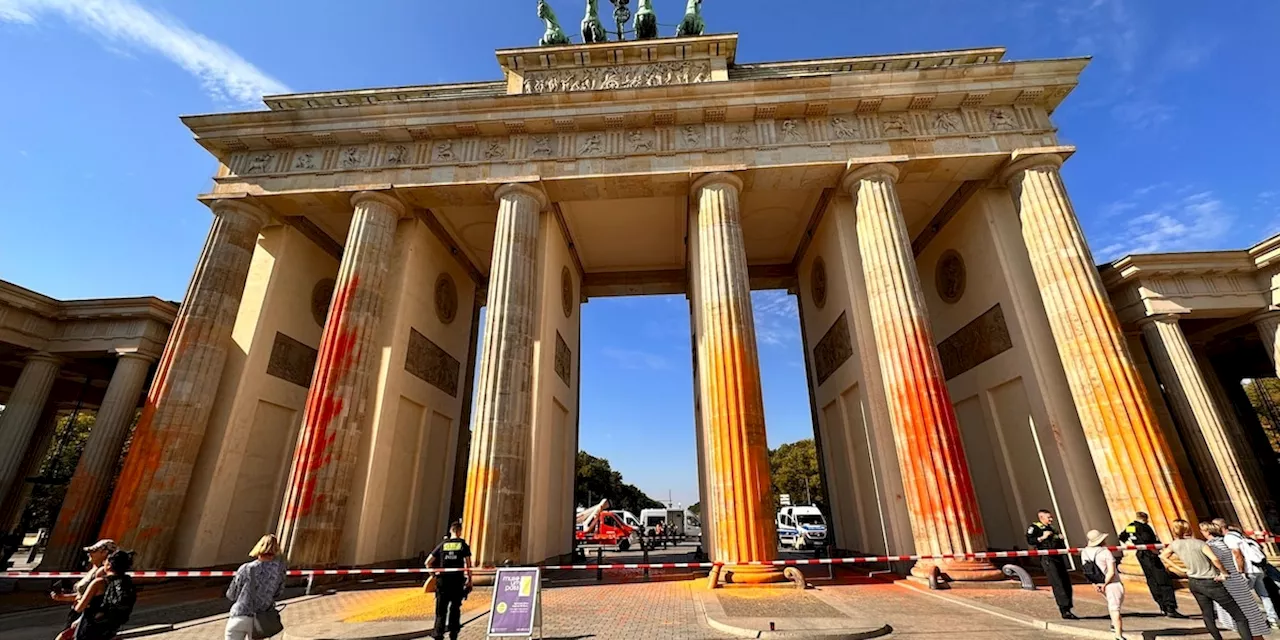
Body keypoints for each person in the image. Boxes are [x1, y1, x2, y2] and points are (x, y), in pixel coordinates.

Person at [1162, 519, 1256, 640]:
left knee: (1207, 615)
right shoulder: (1200, 543)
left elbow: (1163, 556)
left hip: (1194, 581)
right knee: (1239, 616)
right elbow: (1215, 559)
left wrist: (1180, 569)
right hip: (1210, 581)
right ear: (1189, 529)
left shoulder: (1174, 544)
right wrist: (1224, 572)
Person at [1203, 521, 1271, 638]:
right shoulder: (1225, 540)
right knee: (1250, 611)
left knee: (1243, 615)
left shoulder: (1214, 545)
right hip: (1236, 578)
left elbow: (1231, 555)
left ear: (1208, 531)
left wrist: (1235, 571)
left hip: (1231, 581)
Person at [1118, 512, 1185, 618]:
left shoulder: (1132, 526)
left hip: (1141, 554)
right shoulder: (1144, 527)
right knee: (1162, 579)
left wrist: (1132, 544)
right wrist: (1156, 549)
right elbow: (1148, 539)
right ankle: (1170, 607)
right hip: (1150, 554)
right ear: (1145, 518)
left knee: (1151, 579)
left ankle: (1162, 605)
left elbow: (1122, 536)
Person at [1217, 519, 1279, 630]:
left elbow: (1237, 554)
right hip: (1257, 568)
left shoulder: (1228, 538)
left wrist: (1240, 572)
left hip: (1248, 570)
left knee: (1241, 596)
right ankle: (1273, 619)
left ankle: (1250, 621)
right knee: (1264, 595)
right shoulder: (1239, 535)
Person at [225, 534, 287, 640]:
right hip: (261, 619)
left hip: (240, 615)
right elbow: (278, 592)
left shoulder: (246, 568)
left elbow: (232, 594)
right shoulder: (280, 570)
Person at [52, 539, 116, 640]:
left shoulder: (101, 573)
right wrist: (62, 597)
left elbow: (95, 598)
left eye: (93, 551)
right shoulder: (93, 569)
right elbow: (83, 595)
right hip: (78, 612)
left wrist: (81, 619)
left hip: (86, 614)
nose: (89, 554)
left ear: (105, 553)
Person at [71, 549, 136, 640]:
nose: (103, 563)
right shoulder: (126, 582)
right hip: (110, 627)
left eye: (105, 561)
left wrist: (78, 599)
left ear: (109, 565)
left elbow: (79, 608)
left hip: (90, 628)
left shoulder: (99, 583)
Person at [1027, 509, 1076, 619]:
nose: (1051, 519)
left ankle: (1068, 606)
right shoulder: (1035, 528)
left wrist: (1060, 539)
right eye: (1048, 517)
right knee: (1057, 582)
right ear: (1041, 518)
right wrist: (1042, 537)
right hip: (1047, 558)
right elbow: (1030, 541)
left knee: (1065, 582)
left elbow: (1058, 543)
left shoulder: (1052, 528)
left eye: (1051, 517)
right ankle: (1064, 609)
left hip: (1058, 557)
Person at [428, 521, 472, 640]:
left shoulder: (443, 544)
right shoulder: (462, 545)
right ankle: (453, 633)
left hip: (442, 581)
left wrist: (433, 575)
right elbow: (468, 564)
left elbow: (427, 562)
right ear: (459, 531)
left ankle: (438, 633)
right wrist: (470, 580)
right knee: (455, 608)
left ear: (450, 531)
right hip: (457, 581)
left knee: (441, 610)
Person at [1081, 529, 1124, 640]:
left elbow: (1087, 570)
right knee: (1115, 608)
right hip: (1112, 583)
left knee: (1112, 604)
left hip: (1097, 582)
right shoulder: (1105, 552)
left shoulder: (1084, 552)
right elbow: (1111, 571)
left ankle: (1114, 625)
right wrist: (1105, 583)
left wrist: (1095, 584)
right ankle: (1118, 635)